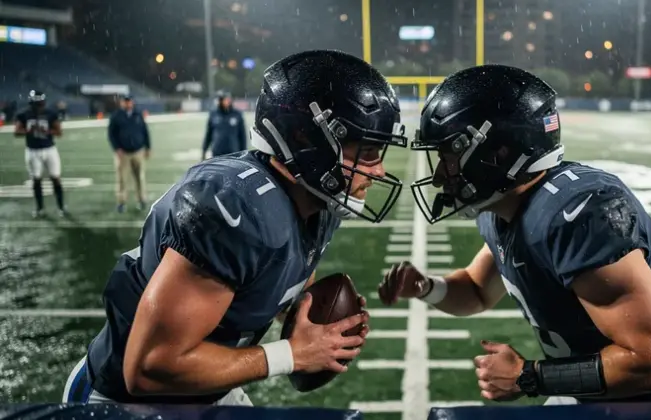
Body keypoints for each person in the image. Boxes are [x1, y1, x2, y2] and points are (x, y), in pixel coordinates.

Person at [62, 50, 408, 405]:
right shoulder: (234, 207)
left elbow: (277, 282)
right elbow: (149, 367)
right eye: (366, 152)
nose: (378, 171)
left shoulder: (318, 200)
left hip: (201, 392)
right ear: (307, 140)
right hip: (121, 401)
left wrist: (318, 325)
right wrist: (291, 354)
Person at [379, 65, 651, 404]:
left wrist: (529, 376)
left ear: (498, 153)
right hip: (594, 393)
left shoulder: (577, 215)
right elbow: (477, 290)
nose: (439, 177)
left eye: (450, 157)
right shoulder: (505, 207)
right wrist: (427, 287)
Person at [14, 90, 65, 218]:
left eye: (40, 103)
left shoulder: (51, 113)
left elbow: (59, 132)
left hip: (49, 149)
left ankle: (61, 207)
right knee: (36, 180)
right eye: (36, 104)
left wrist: (47, 131)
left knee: (56, 178)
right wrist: (28, 131)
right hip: (32, 151)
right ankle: (40, 208)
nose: (38, 107)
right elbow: (16, 132)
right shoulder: (24, 114)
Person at [108, 94, 151, 212]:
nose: (127, 103)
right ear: (122, 103)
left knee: (140, 177)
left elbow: (145, 131)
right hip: (123, 153)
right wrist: (117, 149)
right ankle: (121, 202)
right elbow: (111, 135)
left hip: (138, 151)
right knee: (122, 179)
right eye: (125, 101)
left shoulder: (138, 114)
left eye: (129, 101)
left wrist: (148, 147)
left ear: (132, 102)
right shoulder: (116, 116)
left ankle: (141, 199)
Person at [202, 90, 247, 160]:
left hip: (233, 152)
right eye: (224, 99)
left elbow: (242, 135)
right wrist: (204, 150)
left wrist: (244, 152)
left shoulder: (237, 114)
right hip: (217, 152)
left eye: (228, 99)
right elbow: (208, 134)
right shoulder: (213, 114)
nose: (227, 101)